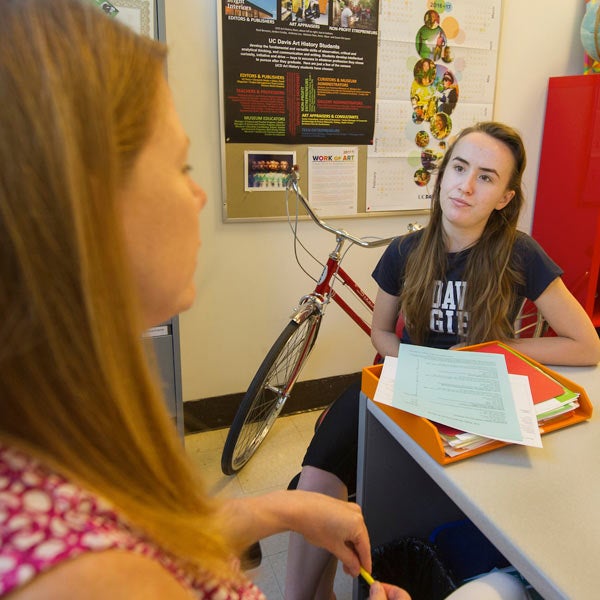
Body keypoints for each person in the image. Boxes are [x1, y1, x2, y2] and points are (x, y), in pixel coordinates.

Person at [0, 2, 409, 599]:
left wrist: (281, 511)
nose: (195, 194)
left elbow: (141, 531)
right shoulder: (94, 582)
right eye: (179, 164)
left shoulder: (55, 439)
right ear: (79, 206)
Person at [284, 121, 600, 599]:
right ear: (443, 174)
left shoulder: (520, 253)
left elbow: (587, 344)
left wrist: (499, 348)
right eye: (459, 167)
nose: (466, 186)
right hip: (411, 378)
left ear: (504, 198)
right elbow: (381, 332)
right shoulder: (405, 250)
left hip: (480, 391)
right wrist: (417, 366)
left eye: (487, 177)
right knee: (321, 466)